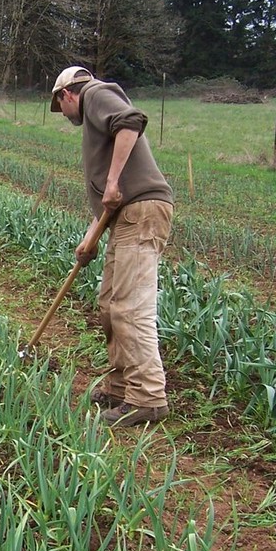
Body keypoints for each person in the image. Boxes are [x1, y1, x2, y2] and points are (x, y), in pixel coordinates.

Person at [50, 66, 174, 427]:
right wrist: (89, 240)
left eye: (61, 108)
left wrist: (115, 180)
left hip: (142, 211)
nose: (65, 116)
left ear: (66, 94)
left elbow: (132, 121)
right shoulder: (91, 117)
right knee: (109, 305)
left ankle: (148, 398)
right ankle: (121, 387)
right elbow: (108, 202)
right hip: (125, 216)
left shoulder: (95, 94)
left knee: (129, 307)